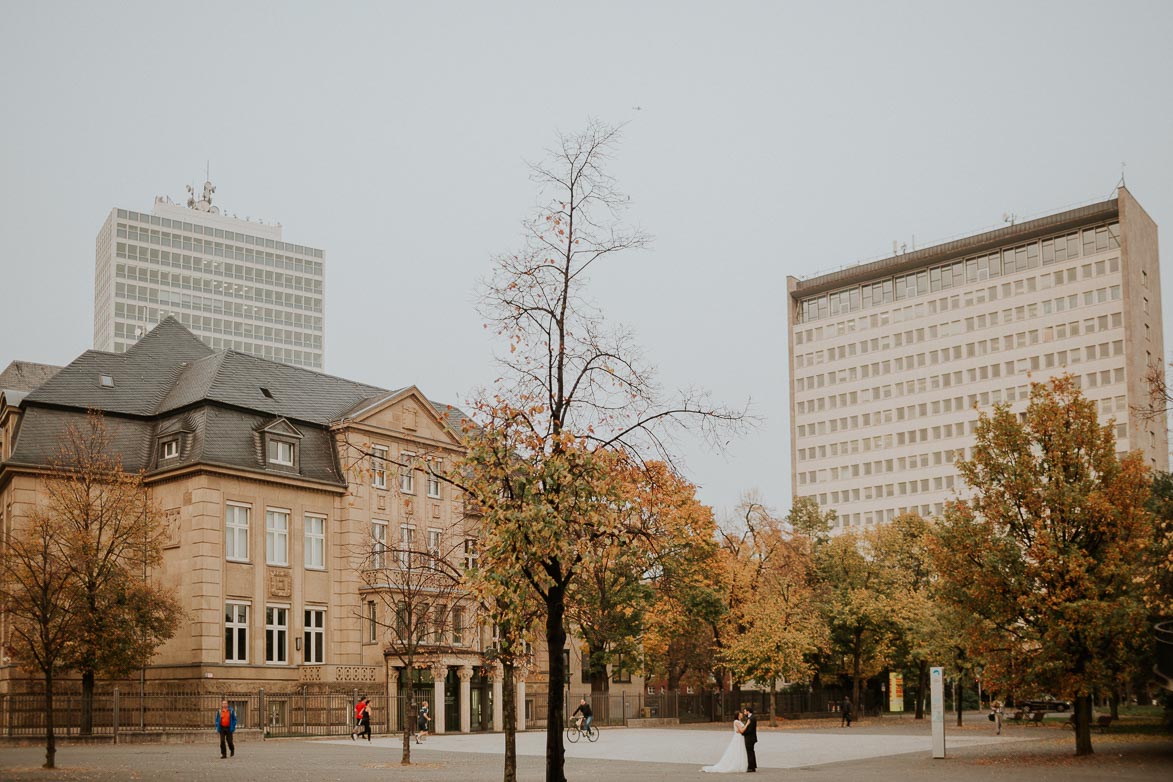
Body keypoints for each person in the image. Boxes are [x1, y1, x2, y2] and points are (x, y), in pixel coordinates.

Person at [701, 709, 748, 773]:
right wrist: (747, 724)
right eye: (740, 714)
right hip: (738, 737)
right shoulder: (736, 722)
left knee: (740, 750)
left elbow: (741, 730)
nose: (742, 714)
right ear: (738, 715)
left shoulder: (739, 721)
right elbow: (741, 730)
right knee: (737, 750)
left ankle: (739, 764)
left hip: (740, 737)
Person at [742, 706, 758, 772]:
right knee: (751, 751)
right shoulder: (751, 718)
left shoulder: (751, 718)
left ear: (748, 711)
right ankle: (753, 766)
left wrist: (743, 733)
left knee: (749, 752)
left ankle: (751, 767)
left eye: (745, 711)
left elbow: (750, 730)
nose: (744, 713)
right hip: (752, 738)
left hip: (750, 738)